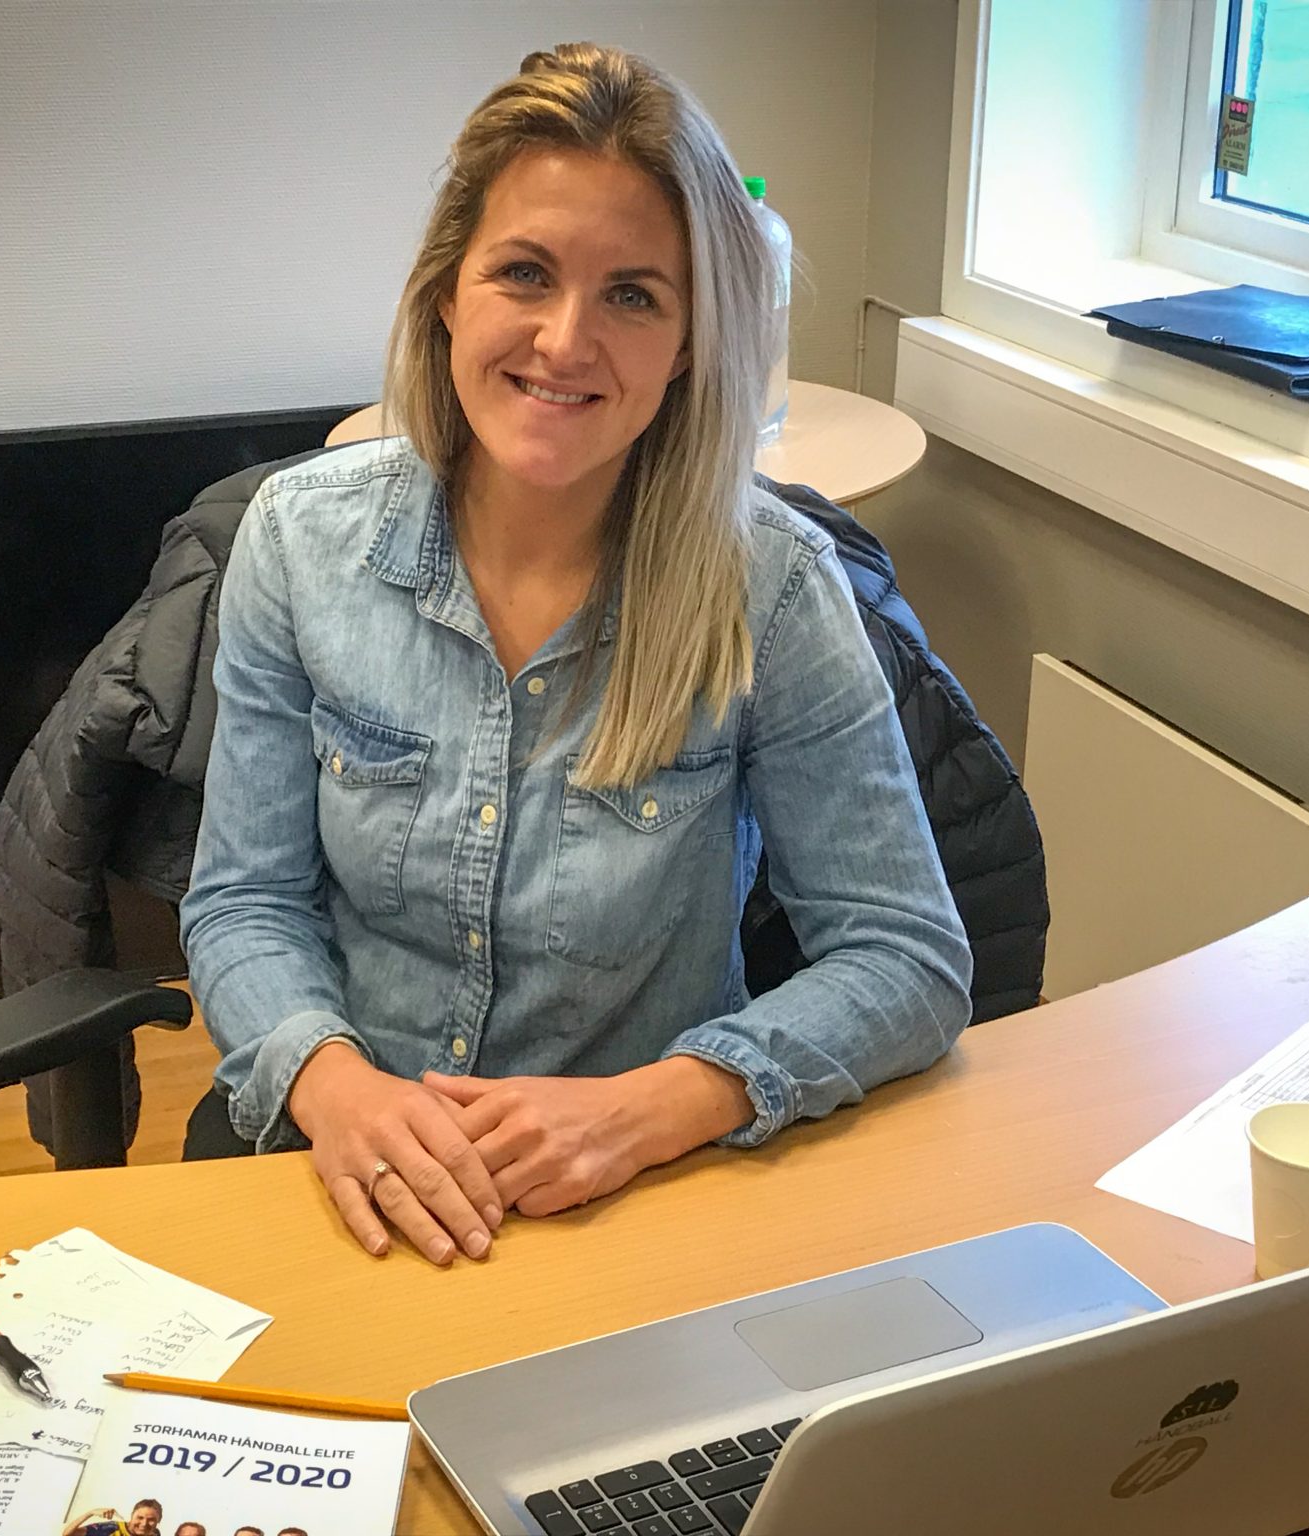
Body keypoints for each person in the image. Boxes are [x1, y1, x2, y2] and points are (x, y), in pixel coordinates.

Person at [180, 40, 971, 1268]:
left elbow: (906, 956)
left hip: (633, 1203)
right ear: (448, 294)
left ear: (690, 342)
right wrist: (335, 1087)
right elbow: (243, 900)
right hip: (351, 1178)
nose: (563, 340)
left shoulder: (769, 588)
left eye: (632, 296)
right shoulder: (299, 542)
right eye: (524, 273)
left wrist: (653, 1107)